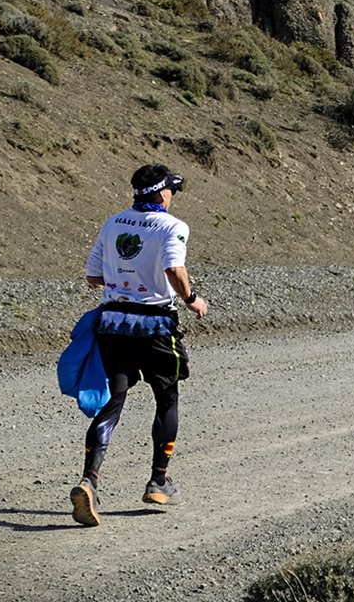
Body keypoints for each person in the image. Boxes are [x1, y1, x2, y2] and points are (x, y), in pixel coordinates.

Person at [69, 163, 208, 527]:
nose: (172, 198)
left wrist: (124, 279)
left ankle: (90, 481)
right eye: (172, 192)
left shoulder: (114, 222)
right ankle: (158, 481)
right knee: (167, 398)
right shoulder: (172, 227)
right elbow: (175, 271)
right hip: (156, 326)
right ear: (162, 194)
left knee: (112, 401)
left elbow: (92, 276)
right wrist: (193, 299)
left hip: (113, 324)